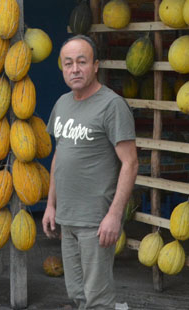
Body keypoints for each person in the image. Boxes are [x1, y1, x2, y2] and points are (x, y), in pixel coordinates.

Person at [42, 34, 138, 310]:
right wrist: (50, 205)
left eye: (82, 62)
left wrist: (114, 215)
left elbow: (130, 163)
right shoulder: (62, 104)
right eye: (68, 63)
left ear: (96, 65)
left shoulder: (112, 106)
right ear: (62, 68)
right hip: (67, 217)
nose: (75, 69)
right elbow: (60, 156)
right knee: (77, 293)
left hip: (96, 220)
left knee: (97, 298)